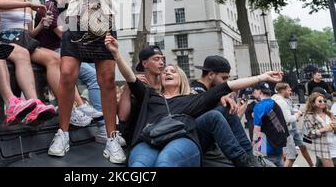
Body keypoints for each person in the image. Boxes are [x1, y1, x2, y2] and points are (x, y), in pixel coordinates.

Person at [35, 0, 134, 163]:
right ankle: (63, 132)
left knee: (107, 81)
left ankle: (111, 138)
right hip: (77, 19)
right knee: (67, 75)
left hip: (103, 20)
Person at [104, 33, 283, 167]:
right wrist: (116, 54)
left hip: (179, 139)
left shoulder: (193, 99)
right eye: (166, 71)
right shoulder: (150, 95)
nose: (167, 71)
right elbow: (130, 78)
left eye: (173, 71)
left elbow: (230, 85)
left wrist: (262, 77)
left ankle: (247, 160)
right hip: (148, 141)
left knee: (165, 163)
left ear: (182, 79)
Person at [0, 0, 94, 127]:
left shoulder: (28, 6)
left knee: (55, 58)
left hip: (25, 40)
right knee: (26, 56)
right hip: (8, 39)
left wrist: (41, 24)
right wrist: (29, 3)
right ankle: (33, 104)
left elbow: (30, 33)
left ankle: (69, 108)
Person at [31, 0, 104, 129]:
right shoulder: (49, 7)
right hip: (54, 50)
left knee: (93, 67)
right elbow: (64, 36)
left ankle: (85, 110)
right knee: (94, 78)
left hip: (63, 49)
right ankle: (101, 125)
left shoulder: (59, 8)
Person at [190, 55, 257, 166]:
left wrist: (237, 111)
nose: (226, 82)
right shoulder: (196, 92)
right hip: (199, 144)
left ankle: (249, 157)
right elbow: (211, 123)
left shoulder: (214, 93)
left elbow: (225, 128)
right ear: (211, 75)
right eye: (224, 78)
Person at [272, 82, 314, 167]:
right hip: (287, 130)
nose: (291, 90)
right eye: (288, 89)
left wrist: (296, 110)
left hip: (292, 128)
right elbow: (289, 118)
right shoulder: (281, 101)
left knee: (302, 147)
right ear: (282, 90)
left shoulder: (285, 98)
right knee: (291, 156)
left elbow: (289, 110)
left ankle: (312, 165)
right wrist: (298, 114)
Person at [252, 84, 289, 167]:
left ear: (259, 92)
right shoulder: (275, 104)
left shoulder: (260, 106)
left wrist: (254, 143)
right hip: (279, 146)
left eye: (254, 91)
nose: (253, 94)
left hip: (266, 148)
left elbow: (257, 129)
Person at [302, 92, 336, 167]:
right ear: (313, 103)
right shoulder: (309, 116)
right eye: (320, 101)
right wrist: (324, 129)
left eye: (324, 101)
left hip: (333, 144)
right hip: (322, 146)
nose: (323, 102)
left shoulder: (329, 113)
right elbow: (310, 134)